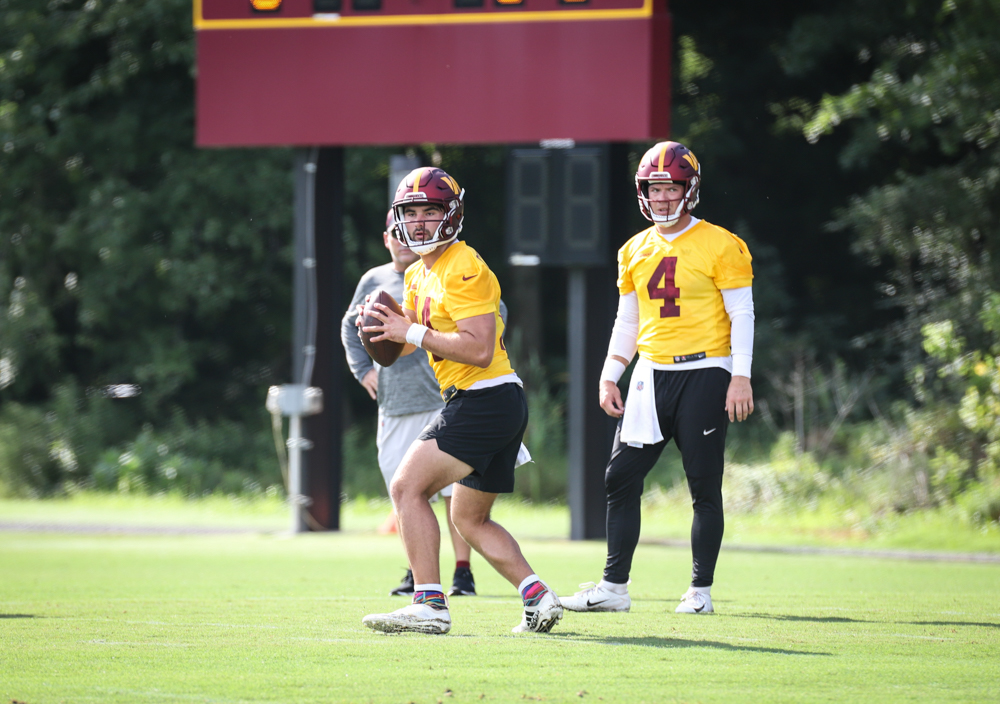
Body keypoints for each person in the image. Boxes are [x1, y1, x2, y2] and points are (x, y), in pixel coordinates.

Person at [359, 167, 562, 635]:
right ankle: (538, 597)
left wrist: (406, 329)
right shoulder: (416, 275)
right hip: (491, 401)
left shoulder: (463, 265)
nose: (421, 222)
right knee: (469, 518)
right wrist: (380, 334)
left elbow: (477, 348)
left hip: (483, 397)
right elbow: (407, 346)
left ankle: (428, 603)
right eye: (411, 212)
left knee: (407, 488)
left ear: (451, 215)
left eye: (431, 211)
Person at [561, 141, 754, 616]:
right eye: (654, 187)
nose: (662, 197)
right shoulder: (634, 249)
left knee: (703, 484)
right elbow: (628, 321)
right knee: (619, 478)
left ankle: (700, 591)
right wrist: (610, 374)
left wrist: (741, 376)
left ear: (689, 190)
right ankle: (613, 587)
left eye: (670, 187)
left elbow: (742, 312)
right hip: (651, 373)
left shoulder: (721, 243)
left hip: (706, 369)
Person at [340, 210, 476, 598]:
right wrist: (362, 369)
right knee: (404, 492)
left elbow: (488, 320)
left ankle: (462, 573)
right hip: (394, 404)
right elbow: (351, 328)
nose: (403, 241)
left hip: (442, 397)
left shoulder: (444, 272)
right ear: (387, 239)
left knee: (454, 491)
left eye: (408, 233)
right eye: (395, 235)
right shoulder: (374, 280)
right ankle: (419, 575)